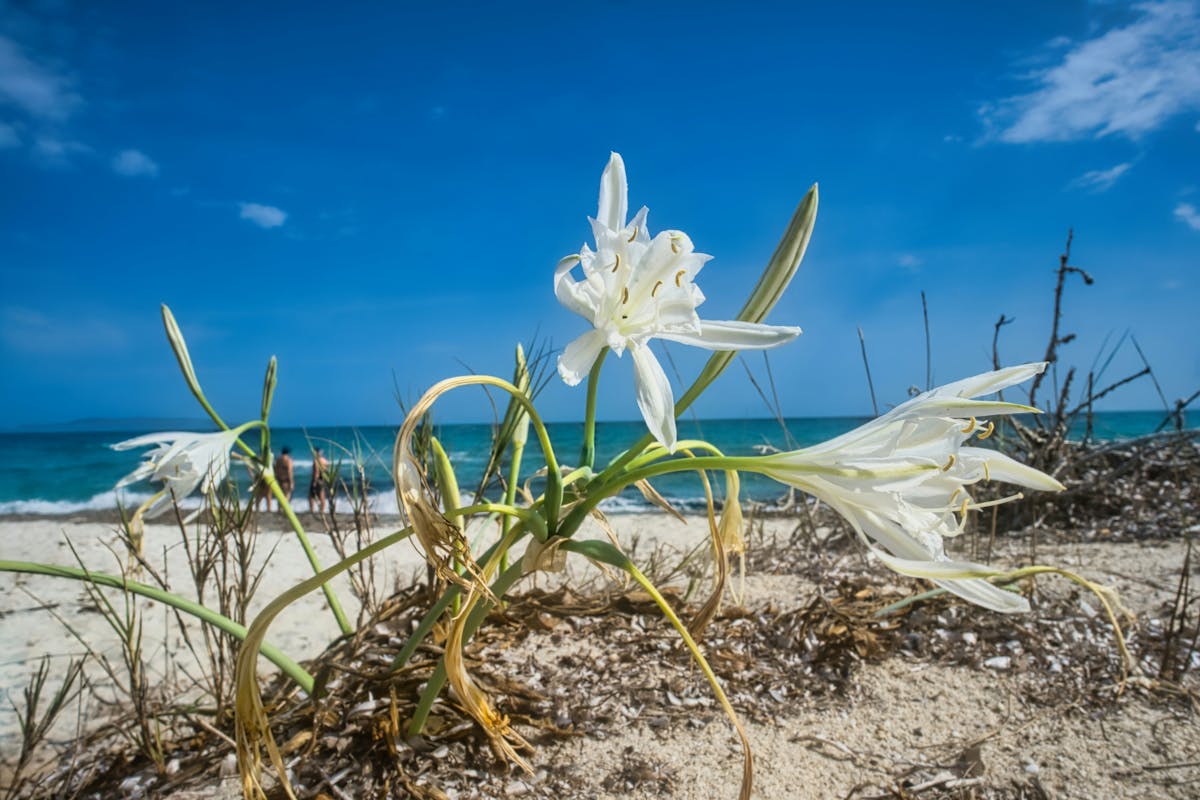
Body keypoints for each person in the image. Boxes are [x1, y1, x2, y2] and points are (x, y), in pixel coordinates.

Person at [309, 446, 329, 514]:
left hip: (317, 480)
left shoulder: (316, 461)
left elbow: (316, 472)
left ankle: (312, 510)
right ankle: (322, 510)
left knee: (311, 495)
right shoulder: (325, 461)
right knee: (322, 495)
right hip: (322, 479)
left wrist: (314, 481)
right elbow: (326, 471)